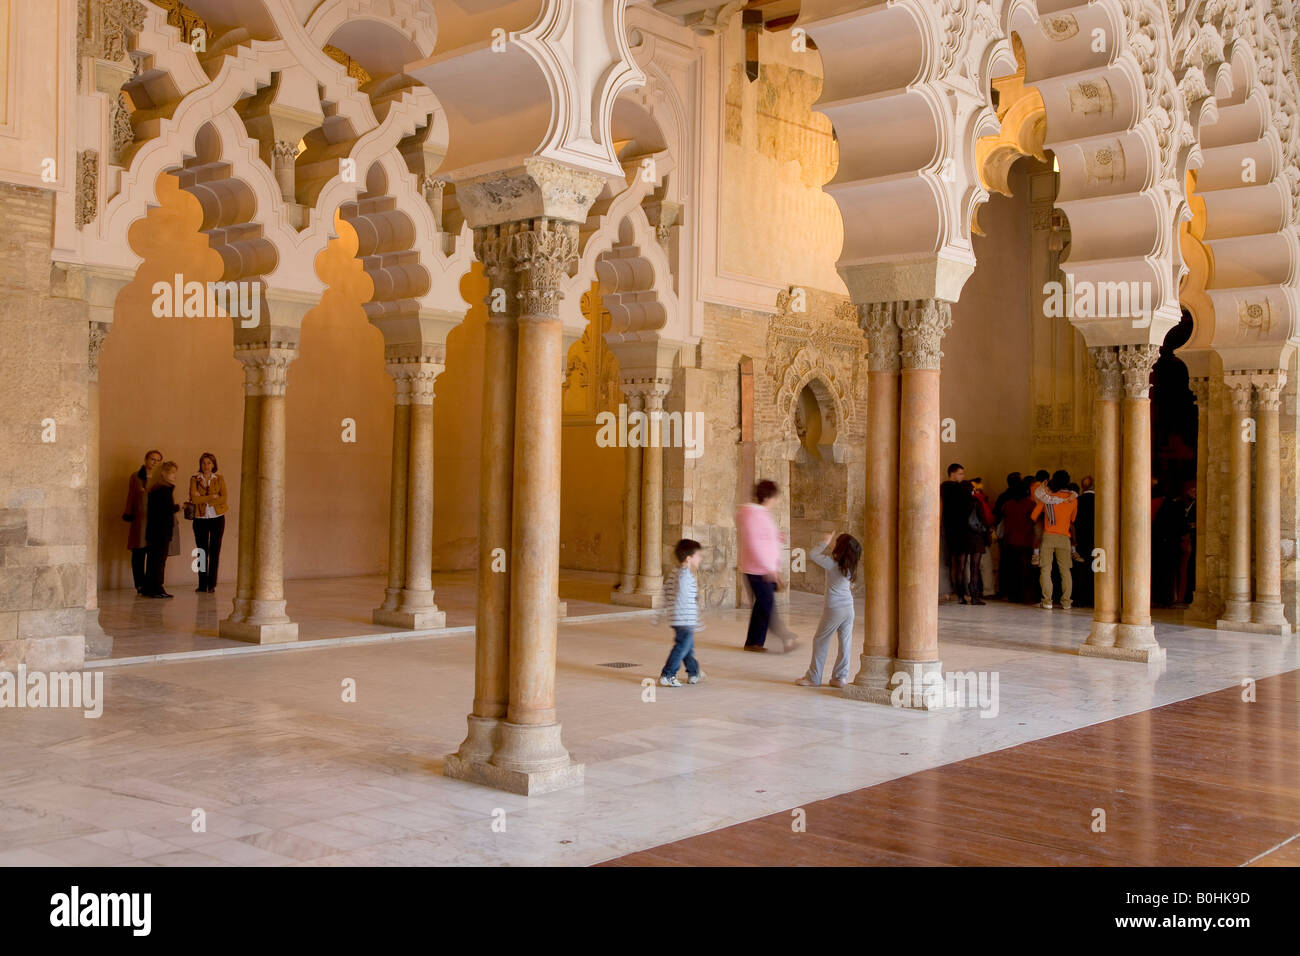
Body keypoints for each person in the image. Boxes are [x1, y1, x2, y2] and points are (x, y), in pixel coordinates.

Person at [736, 480, 796, 653]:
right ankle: (784, 635)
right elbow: (754, 543)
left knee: (762, 604)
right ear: (769, 496)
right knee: (767, 604)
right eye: (775, 497)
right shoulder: (753, 514)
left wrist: (776, 536)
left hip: (764, 568)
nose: (777, 500)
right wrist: (770, 569)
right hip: (757, 569)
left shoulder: (761, 514)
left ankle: (754, 642)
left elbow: (763, 538)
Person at [795, 532, 862, 688]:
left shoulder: (832, 564)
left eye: (837, 541)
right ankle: (839, 678)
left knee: (820, 641)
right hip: (849, 609)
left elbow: (812, 554)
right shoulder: (850, 566)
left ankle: (813, 677)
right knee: (845, 643)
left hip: (834, 609)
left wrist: (824, 542)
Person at [659, 539, 704, 687]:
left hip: (678, 619)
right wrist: (694, 620)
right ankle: (668, 674)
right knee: (681, 648)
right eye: (698, 555)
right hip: (685, 619)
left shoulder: (676, 573)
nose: (700, 558)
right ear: (689, 558)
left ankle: (694, 671)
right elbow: (685, 599)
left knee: (687, 648)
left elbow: (667, 593)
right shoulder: (685, 576)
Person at [1032, 469, 1077, 610]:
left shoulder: (1048, 499)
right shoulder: (1073, 499)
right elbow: (1073, 519)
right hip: (1064, 538)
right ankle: (1066, 602)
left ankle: (1047, 601)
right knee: (1066, 571)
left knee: (1046, 570)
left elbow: (1033, 516)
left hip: (1049, 536)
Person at [122, 449, 162, 594]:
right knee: (138, 551)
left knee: (153, 553)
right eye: (152, 459)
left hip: (155, 520)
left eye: (158, 460)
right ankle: (139, 584)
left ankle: (151, 583)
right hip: (139, 520)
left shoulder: (160, 478)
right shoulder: (136, 476)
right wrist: (128, 513)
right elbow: (131, 496)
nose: (155, 462)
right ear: (146, 460)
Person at [189, 453, 228, 593]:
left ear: (213, 465)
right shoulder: (194, 479)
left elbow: (224, 498)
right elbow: (194, 499)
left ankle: (212, 584)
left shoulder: (219, 479)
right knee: (201, 552)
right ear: (200, 464)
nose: (206, 466)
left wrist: (203, 498)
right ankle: (201, 584)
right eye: (204, 463)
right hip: (200, 519)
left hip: (217, 518)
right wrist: (212, 496)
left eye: (209, 463)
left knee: (215, 551)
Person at [143, 460, 180, 598]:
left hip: (154, 529)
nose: (174, 475)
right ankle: (157, 588)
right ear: (164, 473)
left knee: (153, 559)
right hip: (161, 530)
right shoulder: (164, 489)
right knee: (159, 560)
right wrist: (178, 507)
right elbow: (165, 510)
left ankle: (149, 587)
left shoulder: (155, 488)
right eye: (172, 473)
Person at [940, 463, 973, 602]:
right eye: (960, 473)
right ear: (952, 473)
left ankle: (957, 591)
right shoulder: (957, 488)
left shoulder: (944, 487)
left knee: (954, 563)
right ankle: (961, 592)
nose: (962, 476)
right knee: (961, 563)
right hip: (960, 530)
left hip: (949, 529)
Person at [999, 479, 1035, 603]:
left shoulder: (1008, 504)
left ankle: (1012, 595)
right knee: (1026, 571)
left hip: (1010, 541)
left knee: (1012, 570)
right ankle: (1026, 596)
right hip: (1026, 541)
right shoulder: (1030, 505)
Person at [969, 477, 994, 605]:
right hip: (979, 537)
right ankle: (987, 591)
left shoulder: (978, 500)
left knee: (970, 566)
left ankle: (969, 592)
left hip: (970, 537)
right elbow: (987, 518)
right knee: (984, 566)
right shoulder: (979, 501)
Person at [1073, 475, 1096, 607]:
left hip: (1081, 539)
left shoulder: (1077, 501)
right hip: (1096, 539)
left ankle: (1081, 597)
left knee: (1081, 569)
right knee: (1095, 569)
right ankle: (1093, 598)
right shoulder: (1099, 500)